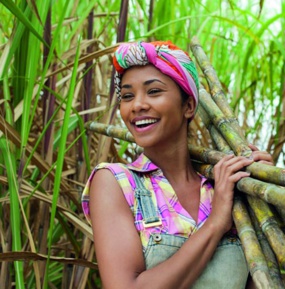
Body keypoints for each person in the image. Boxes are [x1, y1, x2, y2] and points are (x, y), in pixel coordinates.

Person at [82, 40, 273, 289]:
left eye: (153, 91)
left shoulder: (223, 187)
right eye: (127, 96)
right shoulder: (115, 183)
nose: (137, 105)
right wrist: (216, 223)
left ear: (188, 106)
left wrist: (262, 198)